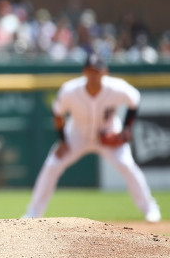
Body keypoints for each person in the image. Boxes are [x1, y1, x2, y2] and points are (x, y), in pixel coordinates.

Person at [22, 53, 161, 223]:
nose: (93, 75)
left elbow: (135, 100)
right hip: (77, 135)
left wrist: (125, 130)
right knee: (52, 165)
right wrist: (63, 140)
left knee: (127, 165)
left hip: (108, 132)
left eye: (97, 71)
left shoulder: (116, 88)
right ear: (84, 72)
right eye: (90, 70)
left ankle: (150, 209)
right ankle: (33, 213)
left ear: (105, 72)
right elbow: (58, 112)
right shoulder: (70, 90)